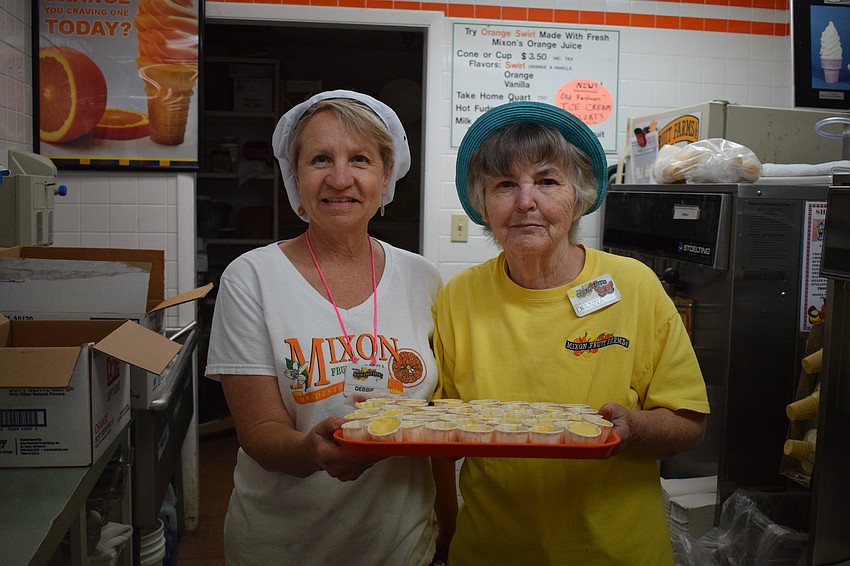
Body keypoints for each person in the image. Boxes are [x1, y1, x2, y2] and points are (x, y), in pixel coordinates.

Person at [431, 101, 710, 565]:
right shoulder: (459, 297)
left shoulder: (634, 286)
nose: (525, 202)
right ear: (482, 204)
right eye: (505, 185)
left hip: (616, 553)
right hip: (492, 550)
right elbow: (439, 432)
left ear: (578, 197)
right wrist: (445, 529)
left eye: (547, 181)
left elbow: (689, 424)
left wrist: (632, 429)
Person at [205, 90, 445, 565]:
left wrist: (450, 528)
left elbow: (436, 419)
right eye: (320, 159)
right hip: (282, 547)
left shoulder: (424, 279)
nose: (340, 178)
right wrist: (310, 451)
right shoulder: (252, 277)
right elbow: (260, 430)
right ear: (295, 177)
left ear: (385, 176)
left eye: (360, 159)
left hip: (400, 544)